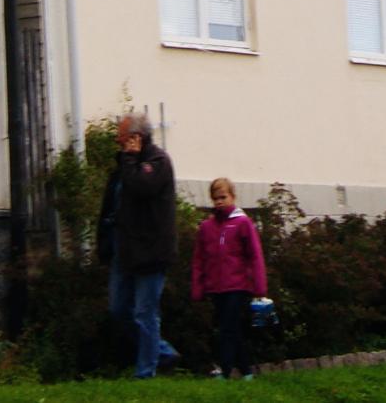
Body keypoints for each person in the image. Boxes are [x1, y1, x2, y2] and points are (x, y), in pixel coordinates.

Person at [97, 114, 178, 378]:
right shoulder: (123, 168)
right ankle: (163, 352)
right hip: (125, 250)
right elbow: (112, 207)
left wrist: (130, 159)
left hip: (150, 250)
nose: (117, 141)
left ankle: (146, 371)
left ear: (135, 138)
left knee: (145, 312)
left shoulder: (157, 162)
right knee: (118, 310)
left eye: (121, 136)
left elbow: (141, 189)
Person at [190, 178, 268, 381]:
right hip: (216, 287)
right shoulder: (207, 227)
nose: (219, 202)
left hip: (237, 285)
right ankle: (246, 371)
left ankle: (223, 370)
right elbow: (199, 258)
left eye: (223, 197)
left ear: (232, 197)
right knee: (231, 329)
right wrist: (198, 286)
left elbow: (255, 255)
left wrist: (259, 286)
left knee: (227, 327)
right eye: (215, 198)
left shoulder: (242, 223)